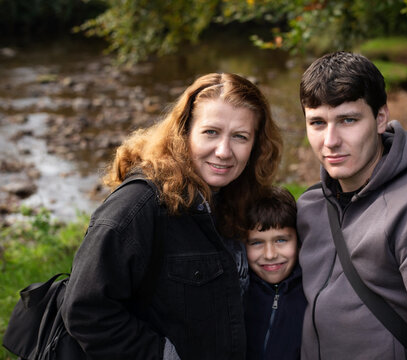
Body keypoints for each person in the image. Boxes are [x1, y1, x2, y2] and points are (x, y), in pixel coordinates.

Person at [61, 72, 283, 360]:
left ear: (256, 145)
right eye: (211, 132)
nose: (224, 151)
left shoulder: (234, 198)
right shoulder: (138, 206)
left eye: (240, 136)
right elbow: (85, 309)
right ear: (184, 132)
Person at [296, 51, 407, 359]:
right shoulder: (311, 205)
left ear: (380, 119)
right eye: (317, 122)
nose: (330, 140)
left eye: (348, 120)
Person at [243, 186, 306, 360]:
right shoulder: (236, 295)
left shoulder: (312, 294)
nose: (270, 255)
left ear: (298, 240)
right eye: (256, 243)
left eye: (281, 240)